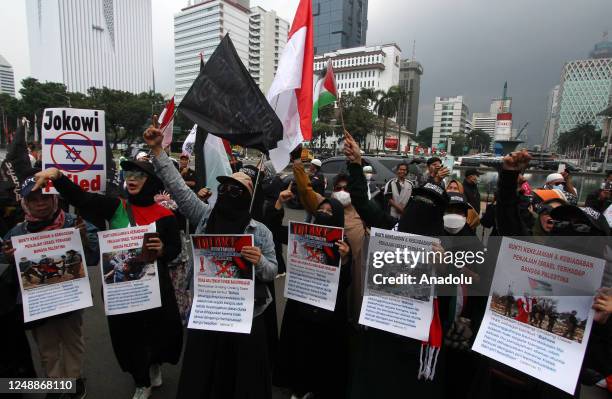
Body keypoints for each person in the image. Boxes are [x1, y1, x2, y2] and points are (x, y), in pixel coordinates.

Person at [142, 127, 278, 399]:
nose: (229, 192)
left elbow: (272, 270)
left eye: (237, 189)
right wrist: (158, 150)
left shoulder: (260, 231)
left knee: (242, 381)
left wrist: (259, 260)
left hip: (247, 317)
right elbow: (179, 190)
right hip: (209, 313)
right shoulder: (204, 217)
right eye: (225, 187)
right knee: (204, 377)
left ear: (247, 197)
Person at [33, 161, 183, 399]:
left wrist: (163, 249)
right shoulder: (116, 207)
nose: (131, 178)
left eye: (138, 175)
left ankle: (154, 363)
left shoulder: (167, 216)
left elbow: (175, 248)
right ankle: (141, 380)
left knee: (159, 331)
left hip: (155, 287)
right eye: (128, 173)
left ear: (151, 182)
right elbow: (82, 199)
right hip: (120, 288)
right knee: (128, 336)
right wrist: (58, 176)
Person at [1, 174, 100, 399]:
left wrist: (84, 238)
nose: (41, 203)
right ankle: (56, 385)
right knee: (47, 346)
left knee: (72, 341)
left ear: (55, 199)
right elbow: (5, 269)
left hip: (71, 299)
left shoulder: (72, 223)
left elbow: (95, 255)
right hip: (39, 302)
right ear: (25, 203)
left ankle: (74, 381)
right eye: (34, 199)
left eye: (45, 198)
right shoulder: (17, 233)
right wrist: (8, 258)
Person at [267, 187, 351, 399]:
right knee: (300, 349)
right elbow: (274, 231)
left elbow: (346, 283)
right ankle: (298, 387)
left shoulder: (344, 244)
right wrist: (279, 204)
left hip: (328, 314)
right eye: (321, 210)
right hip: (302, 305)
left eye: (330, 212)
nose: (324, 214)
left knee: (322, 355)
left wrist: (345, 260)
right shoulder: (302, 235)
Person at [291, 154, 366, 321]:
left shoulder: (362, 214)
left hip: (354, 275)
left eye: (346, 189)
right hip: (321, 282)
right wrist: (297, 162)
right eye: (338, 188)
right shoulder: (325, 205)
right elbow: (305, 190)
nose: (342, 192)